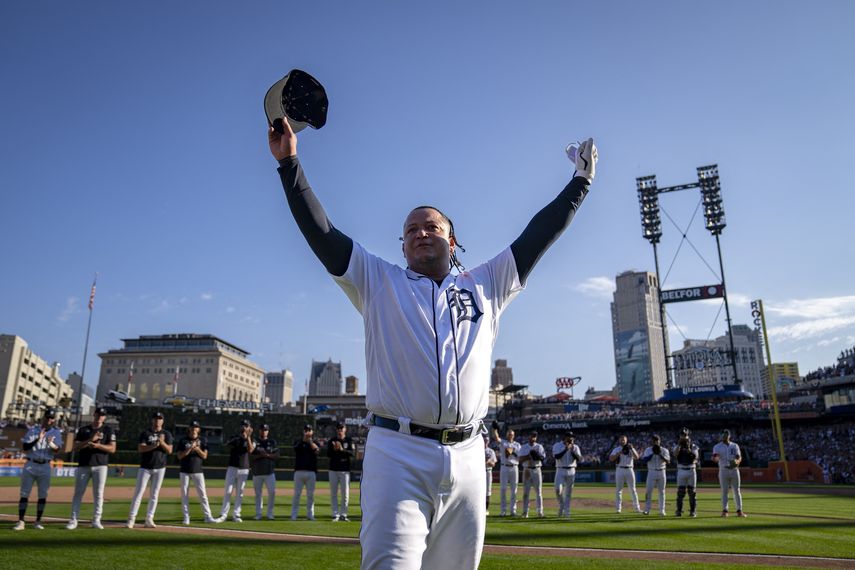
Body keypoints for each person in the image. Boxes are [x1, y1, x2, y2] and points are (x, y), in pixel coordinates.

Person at [269, 110, 597, 569]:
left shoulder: (487, 283)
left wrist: (579, 184)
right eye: (411, 230)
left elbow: (538, 235)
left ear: (452, 240)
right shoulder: (377, 280)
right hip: (398, 452)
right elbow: (321, 232)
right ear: (402, 247)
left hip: (468, 457)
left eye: (432, 226)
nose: (421, 233)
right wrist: (289, 165)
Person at [68, 407, 116, 529]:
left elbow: (112, 448)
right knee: (78, 493)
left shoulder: (108, 430)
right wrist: (90, 440)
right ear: (94, 415)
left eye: (102, 415)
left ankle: (96, 520)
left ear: (104, 417)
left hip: (100, 465)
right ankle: (73, 520)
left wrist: (98, 445)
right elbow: (75, 447)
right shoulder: (84, 430)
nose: (100, 416)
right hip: (84, 465)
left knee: (99, 494)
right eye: (98, 414)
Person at [14, 408, 62, 530]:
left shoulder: (56, 432)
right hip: (31, 464)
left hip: (45, 465)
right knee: (24, 493)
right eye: (47, 417)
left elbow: (58, 449)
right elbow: (25, 447)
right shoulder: (33, 430)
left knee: (43, 494)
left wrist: (50, 443)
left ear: (54, 420)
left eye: (51, 418)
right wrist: (37, 438)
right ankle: (21, 521)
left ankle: (38, 521)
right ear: (43, 418)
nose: (49, 420)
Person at [127, 411, 173, 528]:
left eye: (160, 419)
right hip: (145, 467)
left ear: (163, 421)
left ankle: (149, 518)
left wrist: (161, 442)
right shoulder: (146, 433)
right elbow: (140, 448)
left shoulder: (166, 434)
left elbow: (169, 450)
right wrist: (153, 446)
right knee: (138, 493)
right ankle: (131, 519)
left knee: (154, 495)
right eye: (156, 418)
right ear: (152, 420)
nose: (157, 421)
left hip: (160, 468)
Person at [176, 420, 217, 525]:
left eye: (196, 427)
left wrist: (197, 449)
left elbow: (205, 456)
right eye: (192, 427)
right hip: (184, 471)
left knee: (203, 494)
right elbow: (179, 456)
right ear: (189, 428)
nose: (194, 429)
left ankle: (208, 516)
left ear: (198, 429)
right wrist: (189, 448)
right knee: (184, 495)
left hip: (198, 471)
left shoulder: (203, 440)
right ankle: (186, 517)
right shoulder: (183, 440)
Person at [217, 419, 255, 523]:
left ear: (249, 427)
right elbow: (227, 444)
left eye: (246, 426)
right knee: (228, 491)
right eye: (243, 425)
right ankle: (223, 514)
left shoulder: (252, 439)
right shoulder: (235, 437)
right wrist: (241, 436)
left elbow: (251, 450)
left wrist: (248, 437)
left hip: (244, 469)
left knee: (240, 493)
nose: (244, 427)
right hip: (232, 468)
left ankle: (236, 514)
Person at [712, 428, 746, 517]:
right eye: (723, 435)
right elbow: (715, 457)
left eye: (726, 435)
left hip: (734, 470)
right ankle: (725, 510)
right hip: (723, 470)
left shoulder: (734, 446)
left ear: (729, 436)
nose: (725, 436)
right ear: (721, 436)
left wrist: (737, 462)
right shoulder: (717, 446)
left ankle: (739, 510)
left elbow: (739, 457)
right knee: (724, 491)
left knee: (737, 491)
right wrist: (715, 459)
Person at [326, 422, 356, 522]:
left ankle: (343, 514)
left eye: (341, 428)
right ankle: (335, 514)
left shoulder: (349, 440)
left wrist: (342, 449)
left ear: (345, 429)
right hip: (333, 469)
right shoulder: (332, 441)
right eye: (338, 428)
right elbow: (328, 454)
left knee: (345, 494)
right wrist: (334, 449)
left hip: (345, 470)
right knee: (333, 493)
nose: (340, 430)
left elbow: (352, 454)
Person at [251, 423, 279, 520]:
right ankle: (258, 513)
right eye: (262, 429)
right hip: (257, 472)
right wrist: (261, 455)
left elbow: (277, 455)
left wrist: (266, 455)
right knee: (258, 494)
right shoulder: (255, 441)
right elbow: (251, 455)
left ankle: (270, 513)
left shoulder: (272, 442)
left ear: (268, 431)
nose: (264, 431)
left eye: (266, 430)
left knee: (272, 492)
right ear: (259, 430)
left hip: (269, 472)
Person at [291, 424, 319, 521]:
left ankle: (310, 514)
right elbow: (295, 448)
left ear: (312, 432)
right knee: (297, 494)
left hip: (311, 472)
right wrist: (304, 439)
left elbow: (317, 451)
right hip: (299, 471)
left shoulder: (315, 441)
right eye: (306, 430)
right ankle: (294, 515)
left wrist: (310, 441)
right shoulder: (298, 441)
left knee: (310, 495)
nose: (307, 432)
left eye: (309, 430)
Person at [492, 426, 521, 517]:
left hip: (514, 467)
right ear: (507, 435)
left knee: (514, 490)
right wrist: (495, 429)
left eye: (512, 435)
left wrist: (512, 452)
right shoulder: (503, 443)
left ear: (514, 436)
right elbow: (496, 438)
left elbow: (519, 456)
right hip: (504, 467)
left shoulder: (517, 445)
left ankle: (513, 510)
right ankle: (503, 511)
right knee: (503, 489)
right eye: (509, 434)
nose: (510, 436)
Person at [609, 435, 641, 514]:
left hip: (629, 469)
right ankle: (618, 509)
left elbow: (637, 457)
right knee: (619, 490)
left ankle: (637, 508)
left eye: (624, 440)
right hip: (620, 469)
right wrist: (619, 453)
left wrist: (632, 448)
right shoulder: (617, 449)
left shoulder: (630, 448)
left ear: (626, 440)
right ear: (619, 441)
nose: (622, 441)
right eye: (621, 440)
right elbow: (611, 458)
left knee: (633, 490)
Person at [552, 432, 581, 519]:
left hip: (571, 470)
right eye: (569, 437)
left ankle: (567, 511)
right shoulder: (557, 445)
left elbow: (579, 458)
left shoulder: (575, 447)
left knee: (568, 493)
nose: (571, 439)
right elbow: (556, 456)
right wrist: (565, 449)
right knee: (558, 489)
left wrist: (571, 450)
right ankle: (561, 505)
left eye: (572, 438)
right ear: (565, 437)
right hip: (560, 469)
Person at [640, 434, 670, 516]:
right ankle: (647, 509)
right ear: (652, 441)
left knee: (662, 492)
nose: (656, 442)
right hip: (651, 472)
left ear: (660, 441)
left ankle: (662, 510)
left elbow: (668, 461)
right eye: (654, 440)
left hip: (661, 471)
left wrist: (660, 454)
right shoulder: (648, 450)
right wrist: (653, 453)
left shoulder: (664, 450)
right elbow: (644, 460)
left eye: (657, 440)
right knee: (648, 491)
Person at [518, 431, 545, 518]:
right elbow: (520, 459)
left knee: (539, 492)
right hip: (527, 470)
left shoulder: (539, 446)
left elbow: (542, 458)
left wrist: (535, 455)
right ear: (529, 437)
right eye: (532, 436)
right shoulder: (524, 447)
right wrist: (529, 456)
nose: (533, 438)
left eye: (535, 436)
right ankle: (525, 512)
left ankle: (540, 512)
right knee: (526, 493)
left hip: (537, 469)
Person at [673, 427, 699, 517]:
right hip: (681, 469)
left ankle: (693, 511)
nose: (683, 437)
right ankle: (679, 511)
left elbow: (695, 458)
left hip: (691, 469)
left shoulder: (693, 446)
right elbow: (675, 455)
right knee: (680, 492)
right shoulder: (677, 446)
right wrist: (679, 446)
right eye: (682, 435)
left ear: (688, 436)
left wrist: (688, 449)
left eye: (685, 435)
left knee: (692, 492)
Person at [483, 436, 497, 516]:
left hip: (488, 471)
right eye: (484, 440)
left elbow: (493, 464)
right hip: (480, 471)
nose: (485, 442)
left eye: (487, 441)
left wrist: (487, 461)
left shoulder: (491, 451)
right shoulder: (477, 450)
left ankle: (486, 509)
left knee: (488, 491)